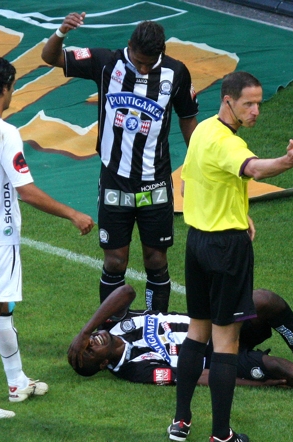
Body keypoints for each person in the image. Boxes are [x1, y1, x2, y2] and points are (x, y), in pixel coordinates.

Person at [172, 71, 293, 442]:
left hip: (197, 242)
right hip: (226, 251)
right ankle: (222, 435)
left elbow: (189, 184)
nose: (256, 111)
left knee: (196, 332)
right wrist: (288, 163)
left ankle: (180, 420)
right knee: (225, 342)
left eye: (258, 103)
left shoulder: (202, 131)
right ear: (228, 101)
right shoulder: (227, 143)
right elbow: (253, 169)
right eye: (248, 104)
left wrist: (237, 210)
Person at [0, 56, 95, 420]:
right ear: (6, 87)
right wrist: (73, 214)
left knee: (2, 307)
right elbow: (26, 191)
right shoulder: (4, 132)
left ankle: (16, 381)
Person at [41, 13, 199, 314]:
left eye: (149, 63)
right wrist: (61, 31)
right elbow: (50, 57)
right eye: (138, 61)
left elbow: (188, 120)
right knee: (115, 260)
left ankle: (156, 324)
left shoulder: (176, 73)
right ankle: (113, 328)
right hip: (115, 179)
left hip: (156, 181)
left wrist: (197, 165)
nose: (142, 68)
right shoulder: (105, 62)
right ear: (129, 45)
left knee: (156, 259)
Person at [67, 285, 293, 402]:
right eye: (90, 349)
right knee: (276, 369)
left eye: (88, 340)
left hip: (220, 323)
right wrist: (247, 379)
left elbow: (126, 292)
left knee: (265, 300)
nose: (93, 341)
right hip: (218, 355)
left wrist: (85, 330)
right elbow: (192, 377)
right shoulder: (134, 370)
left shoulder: (113, 325)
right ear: (100, 365)